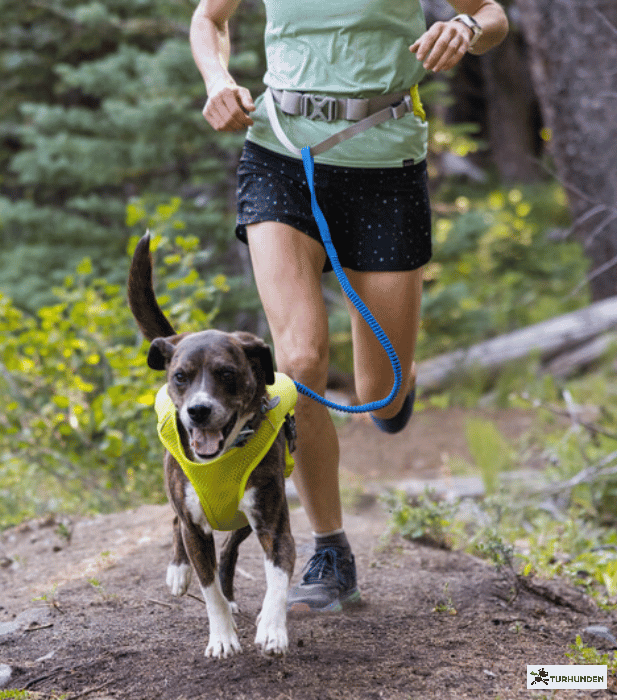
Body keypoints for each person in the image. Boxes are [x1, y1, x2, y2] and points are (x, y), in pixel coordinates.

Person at [190, 0, 508, 613]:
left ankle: (395, 389)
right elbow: (210, 17)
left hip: (384, 165)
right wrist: (217, 80)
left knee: (380, 394)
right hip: (280, 153)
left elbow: (494, 16)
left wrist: (466, 29)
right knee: (300, 361)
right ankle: (330, 552)